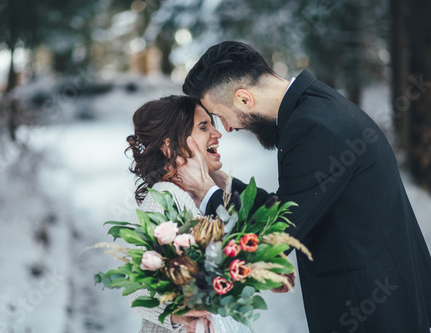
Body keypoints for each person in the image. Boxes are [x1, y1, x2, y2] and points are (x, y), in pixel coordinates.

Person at [178, 41, 431, 333]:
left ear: (244, 99)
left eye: (221, 116)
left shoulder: (314, 128)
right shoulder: (314, 105)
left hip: (375, 310)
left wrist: (205, 193)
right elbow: (293, 203)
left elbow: (279, 232)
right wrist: (222, 183)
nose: (228, 128)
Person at [126, 95, 251, 333]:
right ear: (169, 147)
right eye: (204, 126)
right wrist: (178, 315)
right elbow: (139, 288)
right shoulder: (162, 200)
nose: (218, 134)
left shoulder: (212, 194)